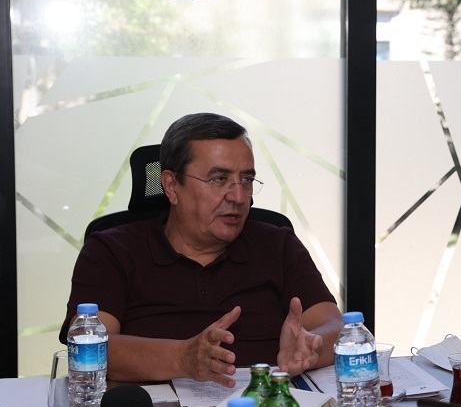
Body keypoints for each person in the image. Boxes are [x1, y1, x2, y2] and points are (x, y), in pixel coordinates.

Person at [59, 113, 343, 388]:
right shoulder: (111, 250)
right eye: (219, 179)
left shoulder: (277, 245)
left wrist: (312, 347)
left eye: (246, 180)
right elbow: (87, 346)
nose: (238, 196)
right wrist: (184, 358)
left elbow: (334, 325)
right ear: (171, 186)